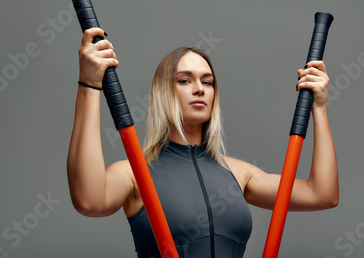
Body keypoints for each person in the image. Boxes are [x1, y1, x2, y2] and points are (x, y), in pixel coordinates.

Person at [67, 28, 339, 258]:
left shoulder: (239, 174)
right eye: (184, 80)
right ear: (164, 92)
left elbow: (322, 195)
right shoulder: (134, 173)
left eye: (207, 82)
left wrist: (319, 108)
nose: (199, 88)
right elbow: (89, 201)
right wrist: (90, 85)